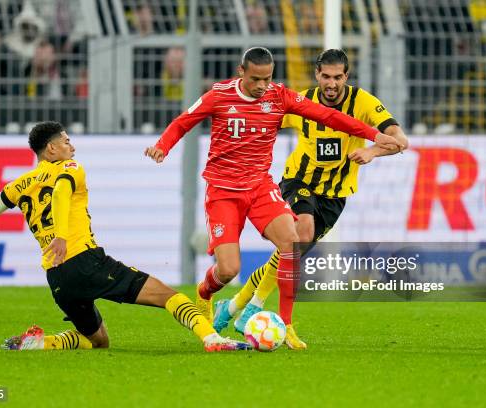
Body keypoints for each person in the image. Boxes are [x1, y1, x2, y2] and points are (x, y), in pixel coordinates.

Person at [144, 47, 404, 349]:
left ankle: (286, 324)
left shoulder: (279, 96)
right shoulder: (219, 95)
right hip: (223, 191)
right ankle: (204, 293)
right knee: (228, 269)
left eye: (267, 79)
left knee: (291, 243)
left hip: (259, 187)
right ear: (242, 72)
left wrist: (374, 137)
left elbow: (330, 116)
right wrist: (163, 145)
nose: (262, 86)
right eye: (256, 79)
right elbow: (184, 120)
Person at [0, 121, 250, 352]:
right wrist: (62, 236)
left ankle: (43, 342)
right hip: (84, 260)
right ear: (51, 149)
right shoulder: (69, 168)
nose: (72, 147)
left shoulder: (18, 184)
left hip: (57, 277)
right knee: (168, 296)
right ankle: (213, 339)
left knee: (98, 340)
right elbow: (62, 192)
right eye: (66, 141)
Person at [213, 49, 409, 340]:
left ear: (346, 76)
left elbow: (400, 140)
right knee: (300, 233)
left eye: (337, 77)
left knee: (290, 253)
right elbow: (258, 120)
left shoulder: (363, 102)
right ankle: (255, 308)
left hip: (335, 195)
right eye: (326, 77)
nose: (331, 83)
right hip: (298, 181)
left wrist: (372, 151)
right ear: (317, 75)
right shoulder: (301, 101)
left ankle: (234, 305)